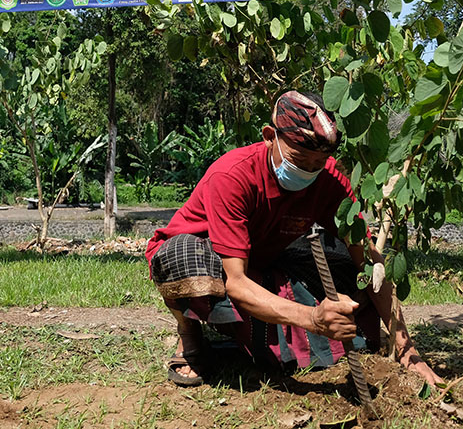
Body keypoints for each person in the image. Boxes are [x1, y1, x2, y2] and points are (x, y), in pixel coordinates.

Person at [145, 90, 443, 388]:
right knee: (180, 254)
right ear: (269, 136)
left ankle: (256, 342)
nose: (308, 171)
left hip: (265, 262)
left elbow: (368, 259)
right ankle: (190, 336)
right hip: (210, 261)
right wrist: (313, 318)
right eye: (299, 160)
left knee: (351, 272)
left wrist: (408, 351)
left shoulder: (329, 181)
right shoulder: (232, 176)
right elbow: (235, 281)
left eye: (318, 163)